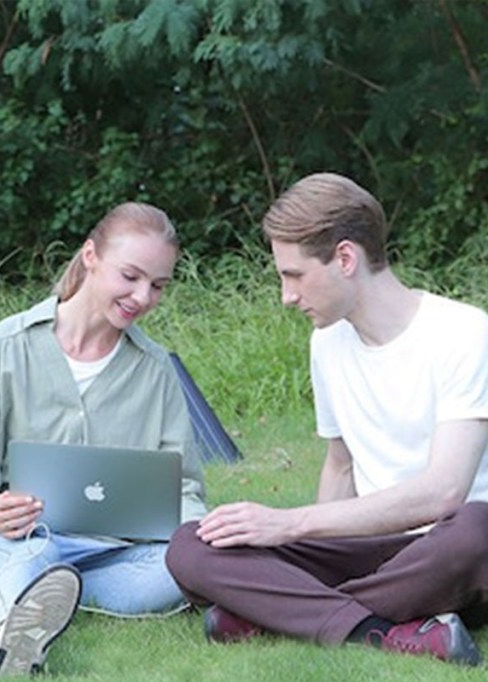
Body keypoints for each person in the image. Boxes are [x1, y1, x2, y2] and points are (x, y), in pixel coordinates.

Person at [166, 172, 488, 667]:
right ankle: (386, 631)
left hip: (449, 550)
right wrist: (306, 541)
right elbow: (340, 467)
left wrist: (290, 524)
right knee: (192, 545)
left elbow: (443, 493)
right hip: (374, 546)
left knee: (478, 528)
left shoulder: (465, 334)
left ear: (344, 258)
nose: (286, 296)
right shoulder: (328, 341)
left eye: (293, 275)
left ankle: (275, 612)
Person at [0, 202, 207, 677]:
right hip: (15, 541)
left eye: (158, 285)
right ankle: (16, 642)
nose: (142, 296)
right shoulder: (2, 347)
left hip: (117, 553)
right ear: (90, 256)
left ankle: (17, 602)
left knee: (180, 570)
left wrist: (198, 544)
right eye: (130, 276)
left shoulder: (155, 369)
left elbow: (185, 489)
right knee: (34, 554)